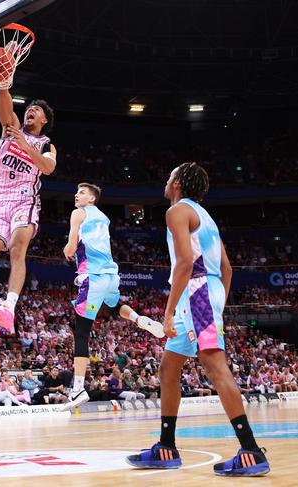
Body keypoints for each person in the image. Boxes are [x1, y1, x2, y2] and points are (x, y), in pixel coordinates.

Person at [126, 163, 270, 476]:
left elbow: (185, 264)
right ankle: (166, 447)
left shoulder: (177, 211)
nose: (165, 180)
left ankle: (251, 450)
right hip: (208, 290)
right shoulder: (206, 217)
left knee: (214, 364)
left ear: (177, 182)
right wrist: (215, 301)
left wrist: (169, 311)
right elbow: (228, 269)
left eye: (168, 175)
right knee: (169, 367)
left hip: (197, 291)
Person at [60, 183, 164, 411]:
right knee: (115, 306)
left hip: (93, 276)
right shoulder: (104, 218)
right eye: (76, 191)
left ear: (92, 199)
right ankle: (139, 319)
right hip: (111, 275)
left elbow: (70, 245)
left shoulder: (78, 212)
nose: (77, 194)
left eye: (82, 192)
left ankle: (77, 389)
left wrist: (69, 250)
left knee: (81, 332)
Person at [0, 90, 57, 340]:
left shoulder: (46, 144)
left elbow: (48, 167)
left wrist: (24, 144)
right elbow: (5, 112)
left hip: (24, 200)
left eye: (37, 110)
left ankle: (8, 307)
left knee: (18, 250)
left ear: (44, 121)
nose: (31, 110)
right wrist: (2, 85)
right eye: (29, 107)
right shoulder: (13, 128)